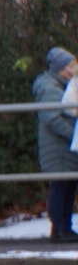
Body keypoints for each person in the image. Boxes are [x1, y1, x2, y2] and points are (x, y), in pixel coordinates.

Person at [34, 46, 78, 242]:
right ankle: (59, 228)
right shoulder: (50, 87)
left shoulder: (64, 86)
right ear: (59, 68)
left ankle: (65, 227)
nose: (72, 70)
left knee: (68, 186)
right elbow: (52, 118)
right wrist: (74, 135)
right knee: (61, 187)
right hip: (58, 148)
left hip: (66, 148)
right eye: (69, 66)